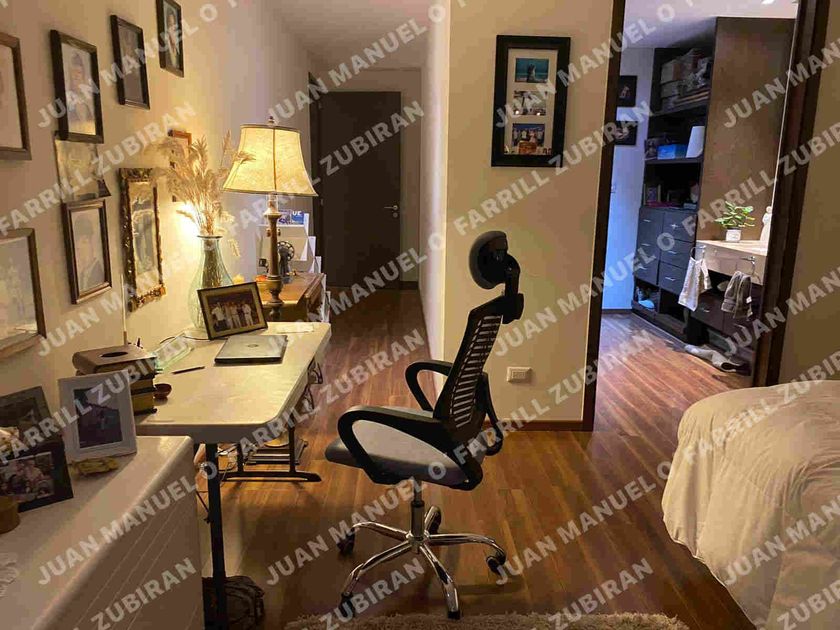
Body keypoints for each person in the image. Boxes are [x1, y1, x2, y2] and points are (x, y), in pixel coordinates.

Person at [65, 52, 96, 135]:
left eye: (79, 72)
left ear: (83, 74)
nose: (76, 75)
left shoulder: (88, 97)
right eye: (73, 72)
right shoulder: (67, 96)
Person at [73, 215, 105, 292]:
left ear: (92, 243)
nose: (80, 250)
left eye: (84, 242)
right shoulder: (81, 276)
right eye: (77, 245)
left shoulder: (99, 273)